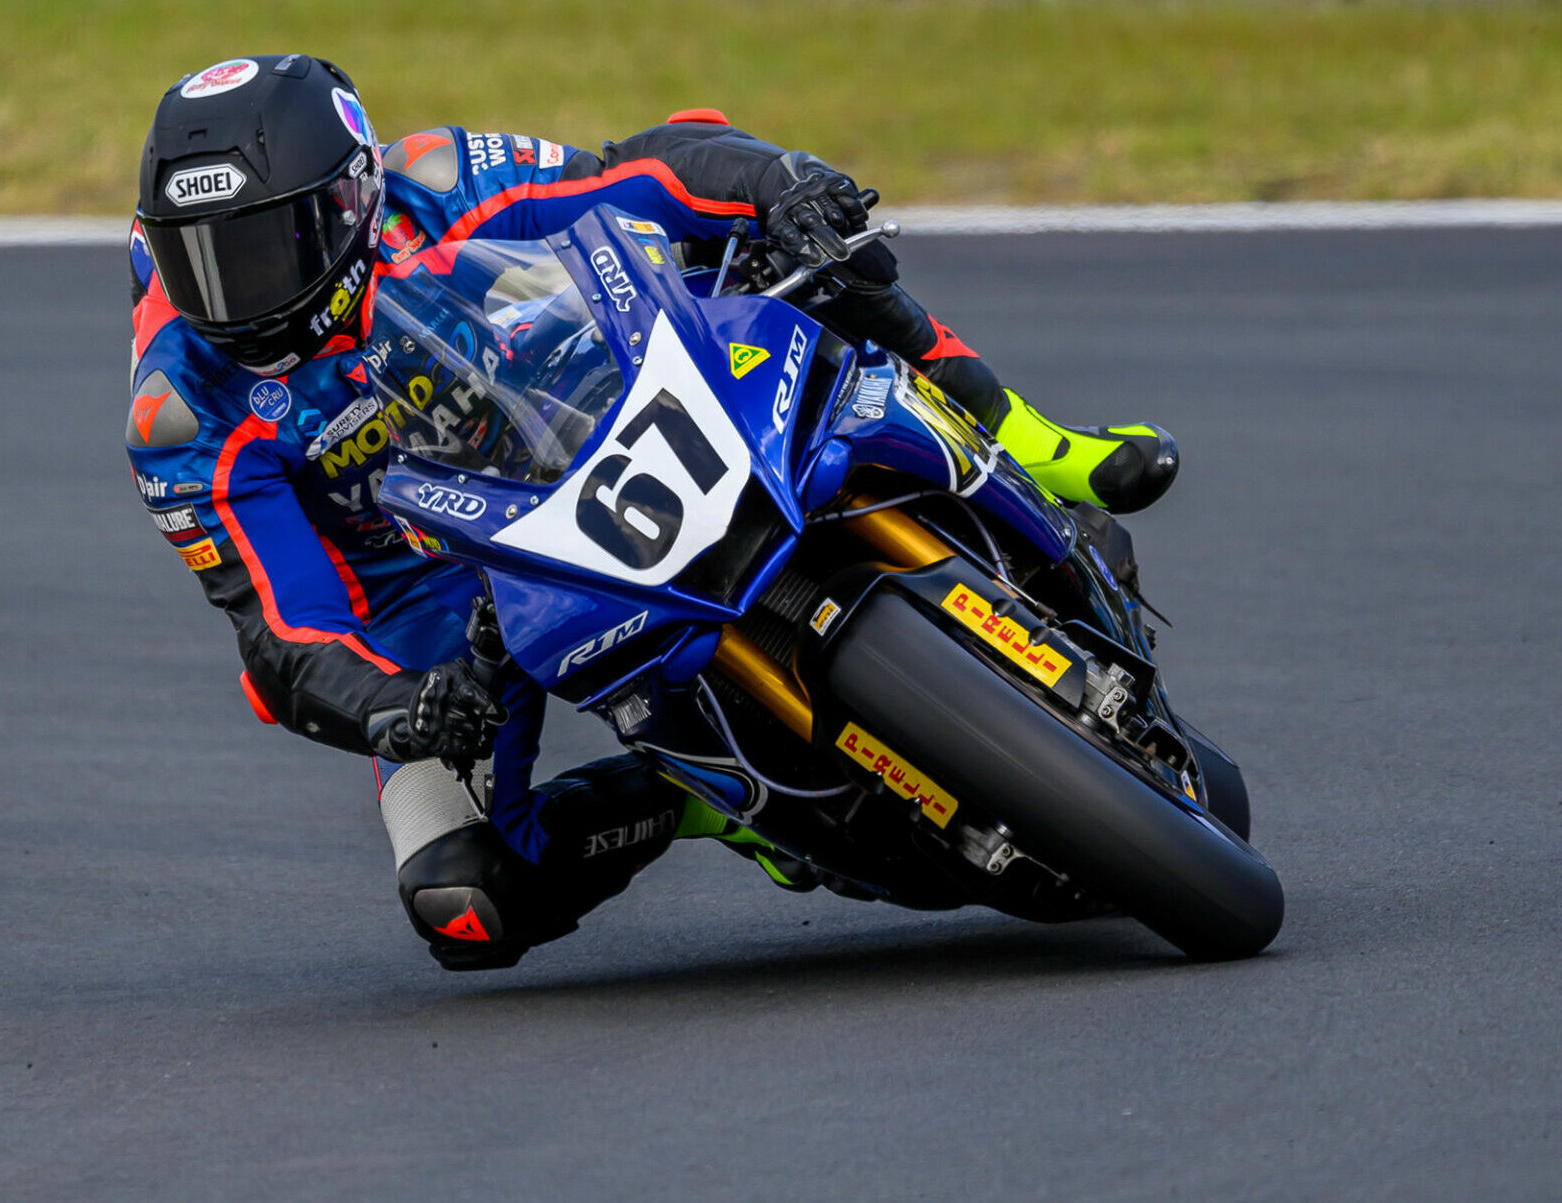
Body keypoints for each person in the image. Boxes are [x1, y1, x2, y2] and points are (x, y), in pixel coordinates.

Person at [125, 54, 1178, 969]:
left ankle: (1037, 448)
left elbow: (648, 166)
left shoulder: (435, 181)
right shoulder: (180, 412)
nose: (234, 295)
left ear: (351, 198)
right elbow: (280, 630)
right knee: (467, 901)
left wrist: (783, 182)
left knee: (821, 251)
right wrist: (394, 706)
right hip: (436, 588)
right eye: (198, 258)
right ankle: (713, 799)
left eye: (263, 248)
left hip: (579, 409)